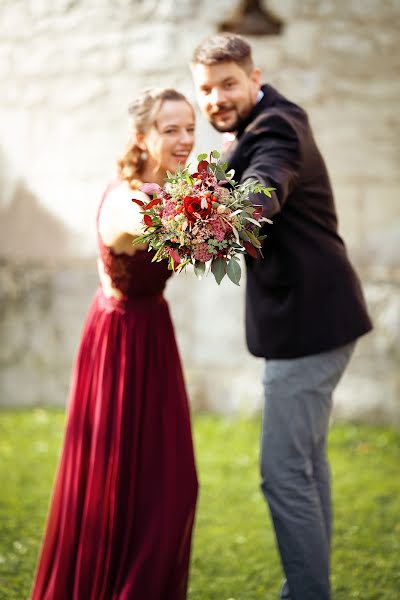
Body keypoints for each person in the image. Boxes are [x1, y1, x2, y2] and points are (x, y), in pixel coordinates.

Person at [191, 33, 372, 600]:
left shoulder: (274, 129)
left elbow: (266, 183)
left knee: (284, 472)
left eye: (228, 84)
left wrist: (233, 209)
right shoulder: (261, 124)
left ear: (254, 76)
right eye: (206, 89)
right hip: (323, 319)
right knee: (307, 466)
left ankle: (307, 593)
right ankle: (311, 588)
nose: (217, 98)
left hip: (308, 327)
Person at [31, 88, 198, 600]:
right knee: (122, 490)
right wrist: (212, 213)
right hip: (120, 343)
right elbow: (165, 230)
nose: (185, 139)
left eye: (190, 128)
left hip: (153, 334)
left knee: (173, 484)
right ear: (142, 137)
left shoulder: (171, 187)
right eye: (171, 129)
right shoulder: (131, 200)